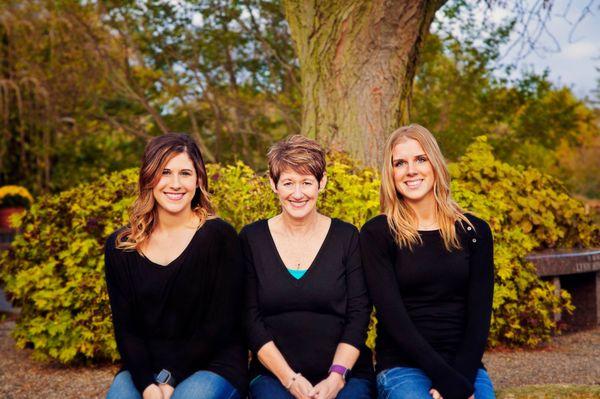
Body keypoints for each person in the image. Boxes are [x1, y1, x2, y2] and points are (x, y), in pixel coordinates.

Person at [104, 133, 247, 399]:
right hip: (146, 367)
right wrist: (148, 386)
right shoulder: (121, 247)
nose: (175, 184)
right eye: (165, 172)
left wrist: (170, 380)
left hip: (212, 363)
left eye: (185, 173)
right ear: (149, 178)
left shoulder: (219, 237)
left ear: (198, 180)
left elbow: (220, 323)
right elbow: (126, 330)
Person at [360, 124, 495, 399]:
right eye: (400, 163)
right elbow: (392, 317)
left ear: (435, 164)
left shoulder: (474, 231)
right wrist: (444, 378)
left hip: (464, 365)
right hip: (402, 366)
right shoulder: (378, 233)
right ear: (391, 173)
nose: (411, 170)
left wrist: (460, 378)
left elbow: (480, 316)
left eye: (420, 159)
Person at [241, 135, 374, 399]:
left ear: (322, 182)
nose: (298, 193)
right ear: (273, 184)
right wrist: (289, 379)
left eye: (306, 182)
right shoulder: (251, 239)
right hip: (273, 376)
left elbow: (359, 315)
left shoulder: (347, 237)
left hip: (344, 375)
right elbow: (249, 319)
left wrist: (336, 378)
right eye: (288, 183)